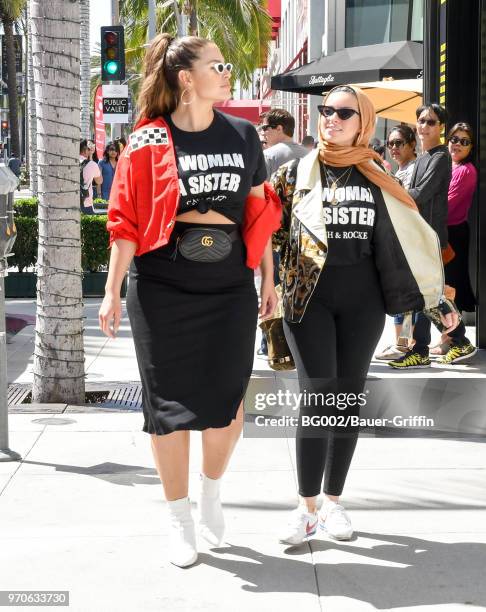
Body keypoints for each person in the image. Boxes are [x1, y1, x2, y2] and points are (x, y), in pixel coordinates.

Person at [98, 33, 280, 568]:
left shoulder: (245, 135)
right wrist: (112, 290)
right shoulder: (148, 140)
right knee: (168, 409)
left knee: (227, 403)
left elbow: (258, 214)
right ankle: (178, 517)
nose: (227, 73)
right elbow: (125, 220)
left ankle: (210, 491)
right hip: (162, 285)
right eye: (217, 66)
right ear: (186, 79)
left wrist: (267, 279)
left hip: (227, 284)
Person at [272, 85, 459, 546]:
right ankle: (306, 507)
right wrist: (266, 290)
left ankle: (333, 502)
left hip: (363, 304)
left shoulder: (379, 176)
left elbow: (407, 246)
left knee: (347, 399)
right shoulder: (294, 174)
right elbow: (269, 235)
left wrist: (438, 302)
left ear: (364, 121)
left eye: (343, 112)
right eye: (326, 111)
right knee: (317, 398)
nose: (331, 118)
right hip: (307, 302)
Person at [389, 104, 475, 368]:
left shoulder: (439, 157)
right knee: (425, 296)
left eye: (431, 122)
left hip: (430, 238)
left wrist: (389, 192)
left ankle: (456, 343)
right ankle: (428, 348)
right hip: (418, 237)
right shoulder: (423, 158)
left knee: (429, 296)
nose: (424, 125)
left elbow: (419, 195)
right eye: (421, 121)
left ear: (441, 128)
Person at [257, 108, 307, 357]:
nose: (262, 132)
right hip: (303, 237)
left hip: (275, 235)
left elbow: (258, 198)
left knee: (272, 289)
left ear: (279, 128)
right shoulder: (310, 155)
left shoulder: (268, 156)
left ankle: (272, 344)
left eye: (265, 127)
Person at [431, 122, 478, 363]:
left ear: (471, 147)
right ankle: (448, 337)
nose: (457, 144)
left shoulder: (466, 171)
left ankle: (450, 340)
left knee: (448, 289)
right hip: (441, 232)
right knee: (442, 287)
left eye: (464, 141)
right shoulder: (447, 165)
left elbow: (445, 208)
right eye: (454, 139)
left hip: (453, 234)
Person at [375, 125, 418, 360]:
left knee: (407, 297)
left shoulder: (413, 169)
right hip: (396, 240)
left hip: (409, 241)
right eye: (390, 143)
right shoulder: (399, 170)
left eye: (399, 143)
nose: (393, 148)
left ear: (412, 144)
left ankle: (405, 345)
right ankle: (400, 343)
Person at [261, 109, 308, 179]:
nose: (263, 133)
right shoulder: (308, 154)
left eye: (265, 128)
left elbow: (261, 188)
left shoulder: (267, 155)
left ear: (279, 128)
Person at [79, 139, 102, 214]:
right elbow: (99, 181)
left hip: (68, 204)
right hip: (86, 204)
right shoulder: (92, 164)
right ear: (86, 150)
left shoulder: (68, 162)